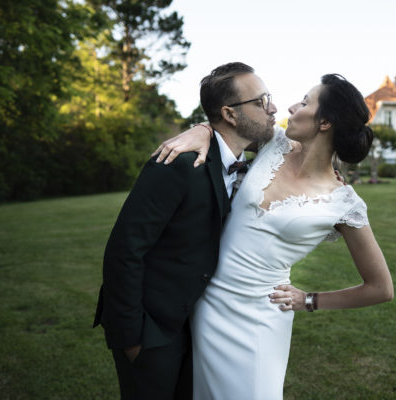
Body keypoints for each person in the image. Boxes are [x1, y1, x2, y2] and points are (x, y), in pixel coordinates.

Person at [157, 74, 394, 399]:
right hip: (207, 304)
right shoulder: (274, 142)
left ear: (324, 122)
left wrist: (309, 300)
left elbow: (380, 288)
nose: (292, 107)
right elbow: (228, 125)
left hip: (259, 318)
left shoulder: (345, 203)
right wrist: (201, 130)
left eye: (306, 102)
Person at [92, 62, 277, 399]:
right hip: (153, 328)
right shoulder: (177, 164)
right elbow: (125, 250)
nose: (273, 108)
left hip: (202, 326)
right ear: (230, 114)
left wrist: (204, 127)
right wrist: (133, 338)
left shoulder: (249, 169)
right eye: (262, 101)